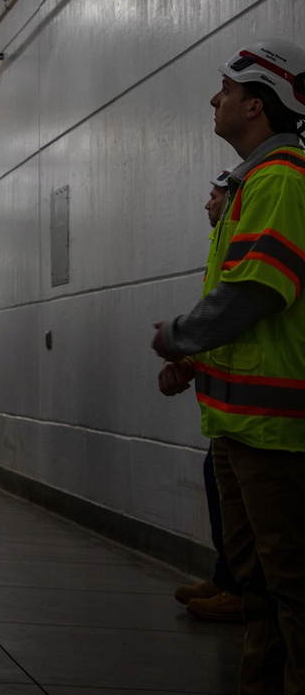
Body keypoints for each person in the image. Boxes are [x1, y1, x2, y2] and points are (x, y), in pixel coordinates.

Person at [152, 39, 305, 695]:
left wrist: (179, 338)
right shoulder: (254, 183)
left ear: (256, 104)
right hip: (241, 425)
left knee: (291, 587)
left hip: (275, 433)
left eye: (226, 90)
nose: (214, 99)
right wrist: (196, 358)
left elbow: (254, 293)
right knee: (259, 588)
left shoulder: (281, 180)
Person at [159, 173, 243, 623]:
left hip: (256, 410)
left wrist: (179, 339)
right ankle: (228, 577)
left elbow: (240, 312)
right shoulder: (220, 248)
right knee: (220, 487)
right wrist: (191, 363)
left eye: (214, 196)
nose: (207, 204)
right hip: (227, 407)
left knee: (248, 511)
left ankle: (239, 587)